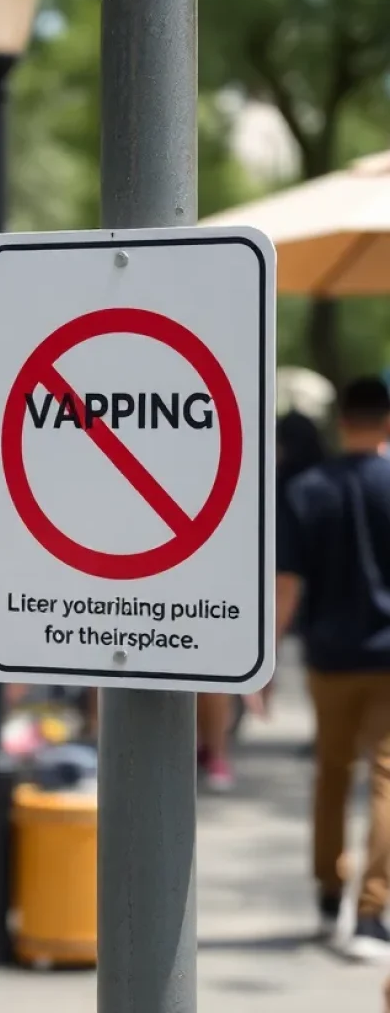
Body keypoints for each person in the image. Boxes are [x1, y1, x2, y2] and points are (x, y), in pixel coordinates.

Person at [275, 377, 390, 960]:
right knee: (387, 781)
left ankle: (327, 894)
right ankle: (371, 913)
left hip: (328, 654)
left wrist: (266, 659)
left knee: (331, 774)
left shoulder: (308, 489)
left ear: (342, 420)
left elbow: (288, 584)